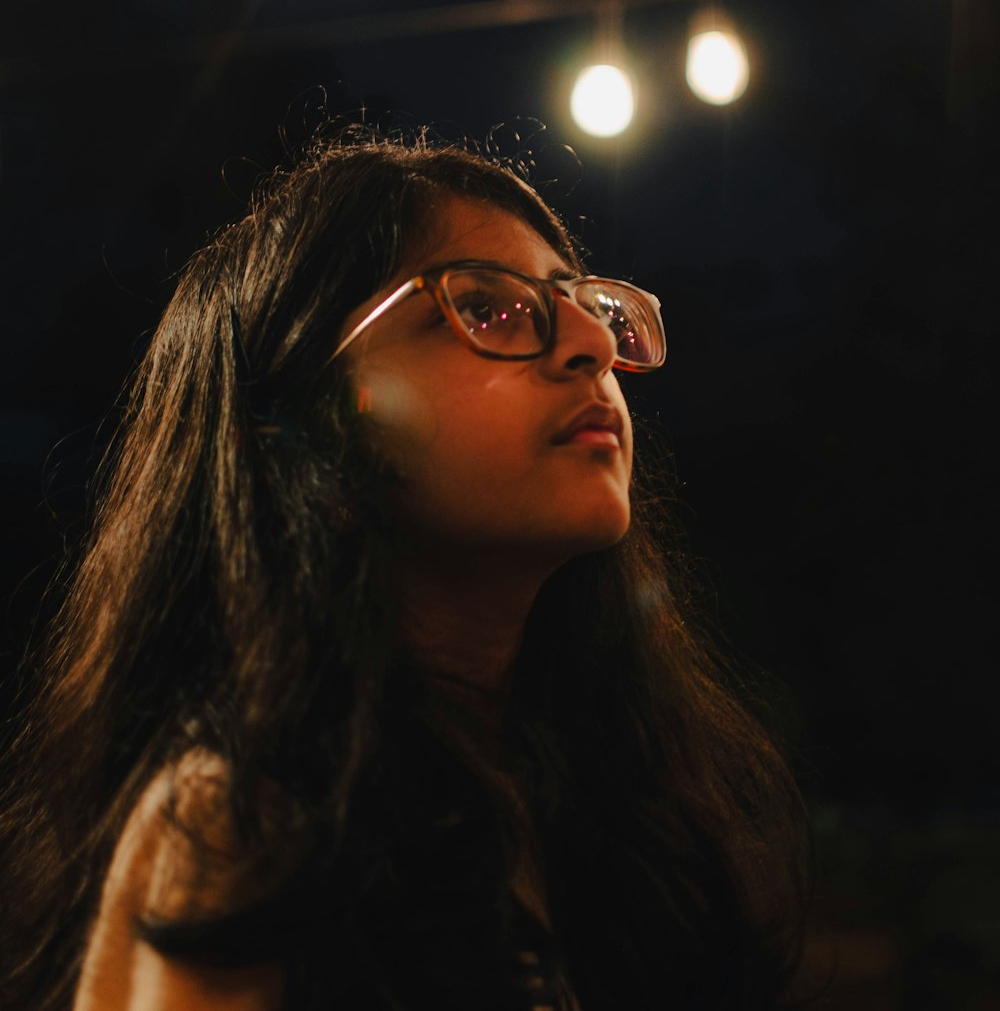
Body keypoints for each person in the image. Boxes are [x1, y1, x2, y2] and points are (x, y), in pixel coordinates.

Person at [0, 128, 810, 1010]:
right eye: (488, 308)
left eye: (588, 306)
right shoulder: (249, 829)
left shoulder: (626, 810)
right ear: (314, 422)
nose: (590, 342)